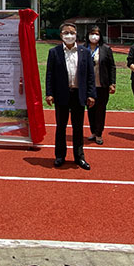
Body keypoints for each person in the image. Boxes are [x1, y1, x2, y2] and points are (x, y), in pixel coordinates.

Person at [45, 23, 96, 170]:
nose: (69, 35)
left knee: (78, 127)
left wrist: (91, 94)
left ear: (76, 34)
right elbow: (50, 75)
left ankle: (79, 157)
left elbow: (90, 76)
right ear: (61, 35)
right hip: (61, 94)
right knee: (61, 127)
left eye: (72, 32)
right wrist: (49, 93)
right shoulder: (54, 52)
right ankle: (60, 156)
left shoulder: (84, 52)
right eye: (66, 32)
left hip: (78, 94)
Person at [85, 26, 115, 146]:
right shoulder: (82, 49)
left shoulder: (106, 49)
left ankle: (99, 133)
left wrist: (112, 83)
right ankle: (93, 131)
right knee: (90, 109)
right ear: (88, 35)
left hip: (102, 85)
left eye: (97, 34)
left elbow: (112, 67)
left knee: (100, 110)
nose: (94, 36)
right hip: (88, 86)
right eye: (92, 33)